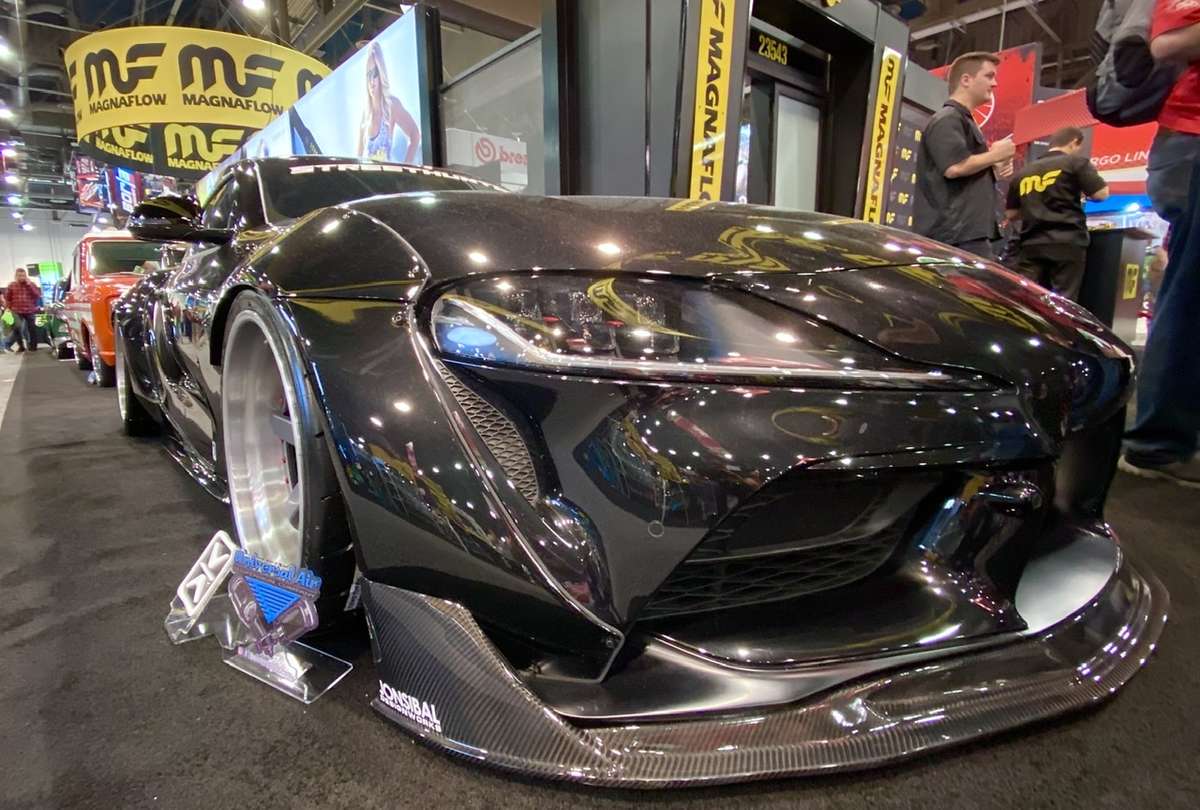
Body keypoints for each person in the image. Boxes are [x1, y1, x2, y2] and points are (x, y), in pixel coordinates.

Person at [1119, 0, 1200, 486]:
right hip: (1192, 137)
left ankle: (1165, 439)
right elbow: (1165, 42)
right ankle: (1159, 443)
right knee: (1189, 291)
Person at [914, 51, 1016, 259]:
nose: (995, 83)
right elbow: (954, 167)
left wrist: (994, 169)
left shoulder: (963, 121)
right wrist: (995, 155)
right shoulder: (948, 119)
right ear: (966, 80)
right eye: (989, 76)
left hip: (967, 235)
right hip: (956, 238)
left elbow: (964, 174)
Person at [1004, 127, 1110, 300]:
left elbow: (1011, 214)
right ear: (1074, 142)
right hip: (1067, 241)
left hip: (1031, 243)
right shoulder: (1076, 163)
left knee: (1029, 299)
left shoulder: (1024, 172)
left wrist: (1035, 207)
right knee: (1064, 300)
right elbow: (1101, 194)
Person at [356, 41, 421, 163]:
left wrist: (405, 168)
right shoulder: (366, 113)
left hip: (386, 174)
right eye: (368, 75)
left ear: (381, 73)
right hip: (366, 174)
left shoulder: (391, 104)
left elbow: (415, 135)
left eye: (375, 73)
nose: (371, 81)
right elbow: (357, 159)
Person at [3, 268, 42, 353]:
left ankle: (33, 346)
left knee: (32, 329)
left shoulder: (31, 284)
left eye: (24, 276)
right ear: (16, 276)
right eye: (20, 276)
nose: (22, 277)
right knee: (17, 327)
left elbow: (37, 295)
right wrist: (7, 308)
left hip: (30, 310)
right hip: (16, 311)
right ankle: (21, 346)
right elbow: (8, 298)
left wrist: (29, 285)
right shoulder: (11, 285)